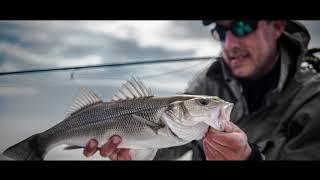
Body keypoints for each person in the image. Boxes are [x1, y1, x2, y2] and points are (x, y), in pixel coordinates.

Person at [83, 20, 320, 160]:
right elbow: (170, 144)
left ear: (277, 25)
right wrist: (134, 152)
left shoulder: (313, 99)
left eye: (241, 26)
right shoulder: (207, 83)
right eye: (221, 31)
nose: (229, 44)